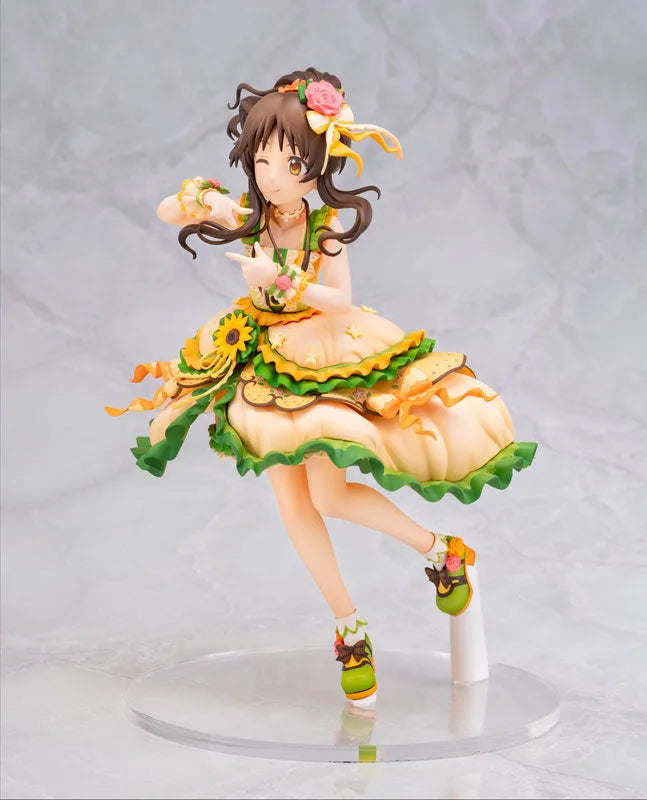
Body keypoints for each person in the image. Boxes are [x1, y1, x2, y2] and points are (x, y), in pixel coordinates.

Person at [106, 67, 537, 706]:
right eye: (261, 160)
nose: (272, 175)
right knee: (293, 505)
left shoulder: (324, 224)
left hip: (320, 355)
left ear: (316, 164)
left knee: (329, 497)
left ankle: (441, 551)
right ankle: (348, 627)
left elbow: (341, 299)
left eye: (288, 162)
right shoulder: (253, 213)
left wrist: (280, 280)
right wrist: (207, 202)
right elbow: (167, 210)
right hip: (262, 360)